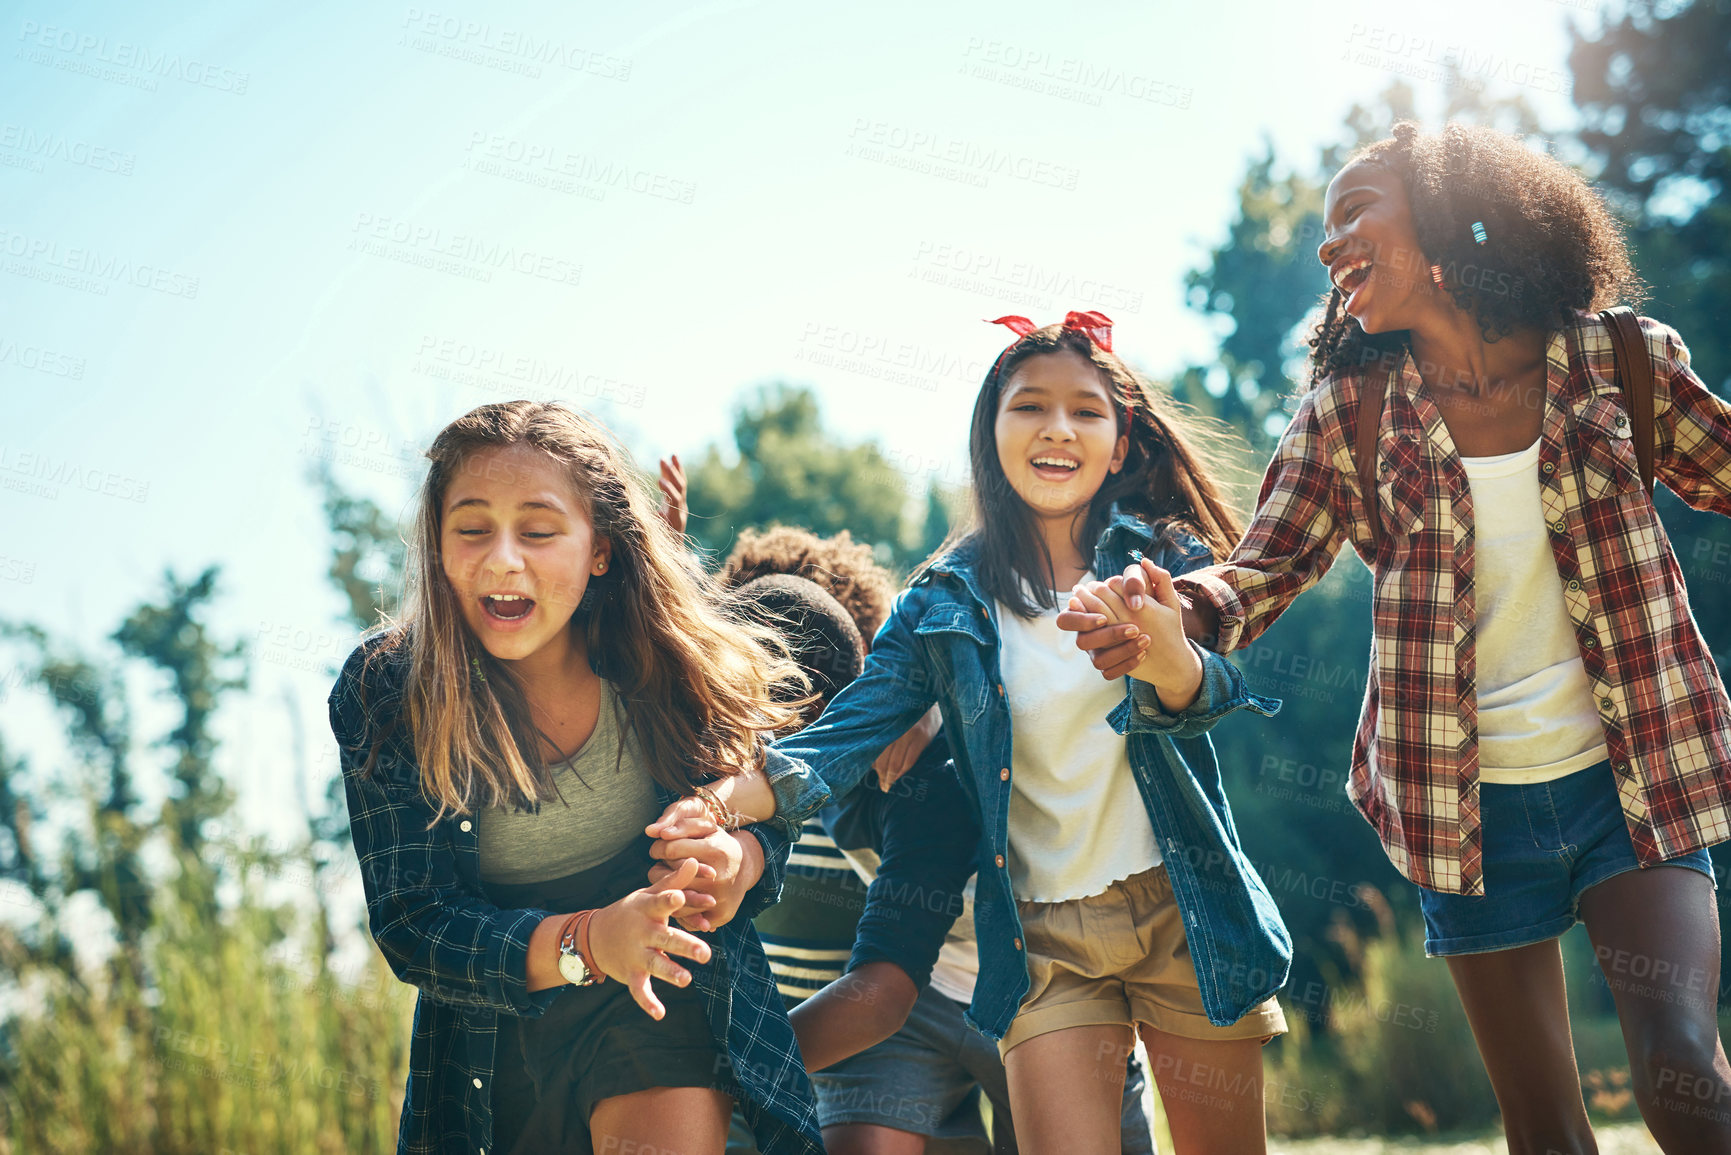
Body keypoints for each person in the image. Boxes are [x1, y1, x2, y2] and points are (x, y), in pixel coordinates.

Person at [1068, 122, 1731, 1154]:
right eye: (1323, 239)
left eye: (1351, 220)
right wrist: (1171, 608)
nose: (1330, 252)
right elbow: (1257, 574)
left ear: (1449, 216)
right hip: (1465, 813)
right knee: (1546, 1130)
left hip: (1633, 776)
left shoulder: (1617, 362)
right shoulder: (1350, 415)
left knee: (1684, 1063)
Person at [709, 311, 1293, 1155]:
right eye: (1029, 406)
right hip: (1043, 938)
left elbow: (1219, 687)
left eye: (1085, 411)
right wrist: (721, 803)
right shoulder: (940, 602)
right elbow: (835, 738)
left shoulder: (1160, 559)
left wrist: (1168, 661)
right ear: (991, 430)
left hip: (1184, 906)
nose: (1057, 428)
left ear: (1121, 443)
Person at [327, 400, 830, 1155]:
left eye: (537, 530)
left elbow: (762, 816)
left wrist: (740, 860)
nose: (502, 558)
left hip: (662, 1001)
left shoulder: (665, 661)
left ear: (599, 548)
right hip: (490, 1048)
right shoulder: (386, 689)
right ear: (436, 545)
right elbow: (414, 924)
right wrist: (592, 940)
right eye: (471, 528)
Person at [698, 526, 1157, 1155]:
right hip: (925, 994)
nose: (746, 755)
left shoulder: (928, 765)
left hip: (1047, 982)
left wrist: (715, 1071)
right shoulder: (776, 771)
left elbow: (882, 994)